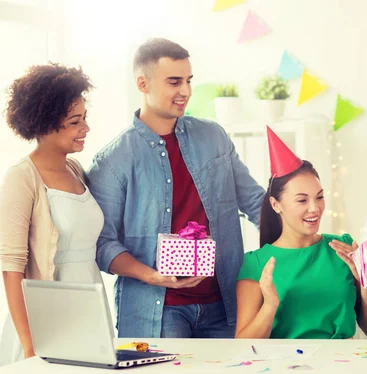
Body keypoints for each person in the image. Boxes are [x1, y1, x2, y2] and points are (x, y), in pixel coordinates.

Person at [86, 38, 265, 339]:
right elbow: (103, 245)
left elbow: (256, 202)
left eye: (188, 81)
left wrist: (310, 242)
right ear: (142, 83)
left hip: (225, 303)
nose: (186, 91)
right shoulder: (112, 160)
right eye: (174, 82)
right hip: (157, 312)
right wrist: (153, 276)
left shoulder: (214, 137)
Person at [235, 127, 367, 339]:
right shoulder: (256, 263)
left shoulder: (343, 248)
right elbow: (242, 344)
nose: (315, 208)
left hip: (342, 364)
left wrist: (364, 278)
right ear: (276, 204)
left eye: (320, 197)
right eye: (302, 200)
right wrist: (269, 305)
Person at [0, 64, 103, 365]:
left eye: (85, 118)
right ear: (45, 125)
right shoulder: (22, 178)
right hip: (47, 324)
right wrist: (31, 348)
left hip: (90, 312)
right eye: (75, 122)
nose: (85, 128)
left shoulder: (76, 170)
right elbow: (11, 269)